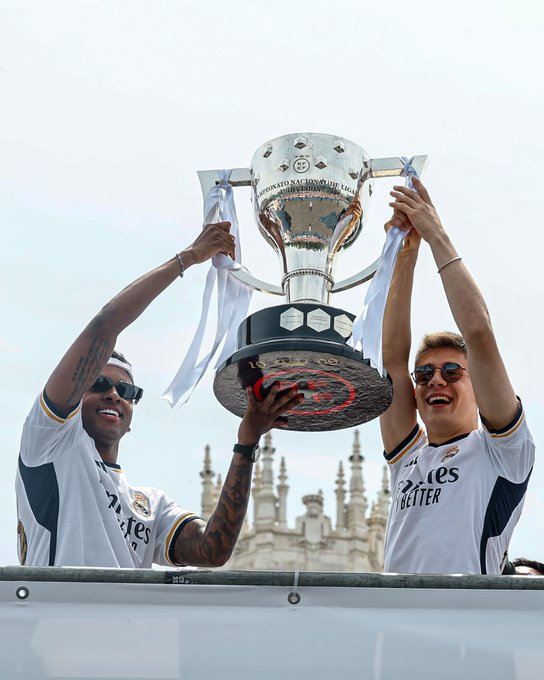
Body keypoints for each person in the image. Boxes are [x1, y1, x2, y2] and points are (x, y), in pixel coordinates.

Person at [16, 221, 303, 568]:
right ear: (75, 399)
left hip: (123, 624)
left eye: (125, 390)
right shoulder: (51, 444)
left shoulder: (151, 506)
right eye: (100, 384)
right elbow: (104, 327)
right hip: (56, 621)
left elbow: (212, 551)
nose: (114, 396)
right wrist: (188, 259)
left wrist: (247, 441)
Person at [379, 177, 535, 575]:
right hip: (393, 627)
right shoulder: (408, 458)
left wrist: (434, 235)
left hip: (462, 626)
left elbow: (479, 334)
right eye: (425, 373)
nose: (435, 381)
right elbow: (391, 360)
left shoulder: (503, 453)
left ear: (476, 384)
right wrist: (405, 254)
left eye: (452, 372)